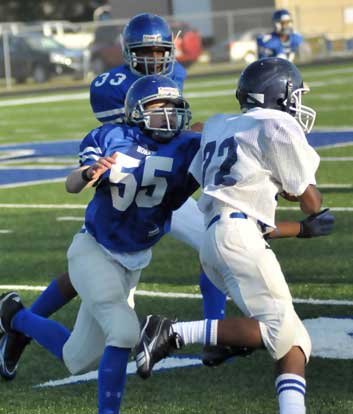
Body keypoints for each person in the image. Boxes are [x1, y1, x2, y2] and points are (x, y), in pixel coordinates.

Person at [0, 12, 227, 381]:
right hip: (128, 181)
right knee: (97, 260)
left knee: (215, 241)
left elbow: (173, 130)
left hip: (163, 179)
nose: (155, 59)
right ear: (128, 52)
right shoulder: (108, 86)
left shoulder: (177, 76)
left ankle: (214, 333)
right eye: (146, 51)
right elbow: (126, 137)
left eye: (161, 50)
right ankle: (23, 323)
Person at [134, 58, 327, 414]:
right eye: (293, 95)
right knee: (278, 332)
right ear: (277, 95)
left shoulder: (222, 124)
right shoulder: (277, 123)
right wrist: (309, 207)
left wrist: (298, 227)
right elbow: (310, 200)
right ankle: (174, 332)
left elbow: (235, 191)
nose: (297, 104)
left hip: (219, 237)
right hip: (237, 238)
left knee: (293, 340)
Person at [0, 75, 201, 414]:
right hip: (94, 251)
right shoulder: (113, 137)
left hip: (133, 261)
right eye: (158, 107)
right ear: (136, 112)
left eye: (172, 107)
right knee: (123, 330)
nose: (168, 114)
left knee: (76, 359)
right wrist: (88, 172)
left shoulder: (188, 145)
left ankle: (14, 316)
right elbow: (72, 183)